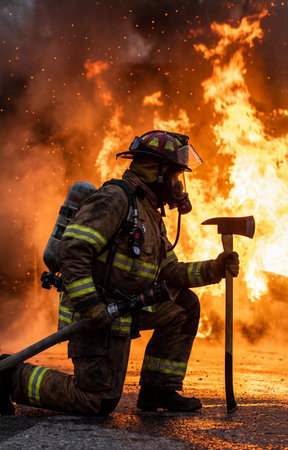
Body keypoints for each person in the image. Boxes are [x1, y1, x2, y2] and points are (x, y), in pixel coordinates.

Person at [0, 130, 239, 416]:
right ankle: (9, 376)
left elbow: (169, 270)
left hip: (123, 309)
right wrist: (90, 306)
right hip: (90, 311)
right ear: (158, 172)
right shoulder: (115, 199)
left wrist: (214, 268)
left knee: (184, 306)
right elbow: (73, 251)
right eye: (175, 176)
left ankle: (158, 389)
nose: (179, 185)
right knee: (97, 401)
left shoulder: (149, 213)